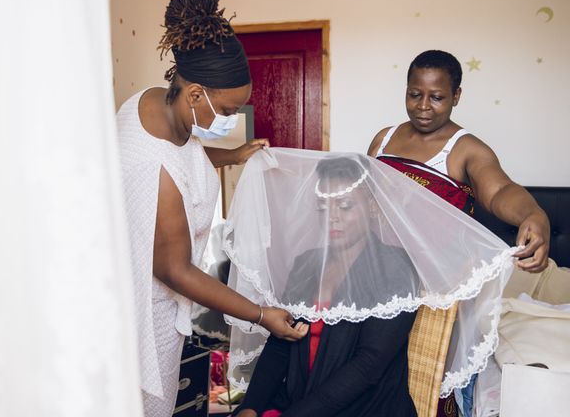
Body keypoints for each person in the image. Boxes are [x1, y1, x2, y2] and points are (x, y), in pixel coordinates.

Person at [116, 0, 306, 416]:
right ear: (196, 94)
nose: (234, 118)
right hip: (145, 311)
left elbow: (184, 154)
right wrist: (259, 314)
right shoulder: (154, 168)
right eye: (229, 111)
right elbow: (174, 269)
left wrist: (232, 154)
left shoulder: (151, 101)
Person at [367, 49, 551, 416]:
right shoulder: (384, 139)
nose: (423, 106)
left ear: (456, 96)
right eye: (414, 94)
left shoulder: (465, 148)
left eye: (436, 97)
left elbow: (499, 191)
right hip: (375, 276)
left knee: (421, 382)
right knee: (364, 375)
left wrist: (534, 213)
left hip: (432, 287)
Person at [234, 157, 420, 417]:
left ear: (373, 207)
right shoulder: (306, 264)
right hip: (300, 402)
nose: (332, 217)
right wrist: (250, 406)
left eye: (344, 206)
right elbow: (281, 344)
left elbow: (368, 366)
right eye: (323, 207)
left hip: (364, 409)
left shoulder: (394, 268)